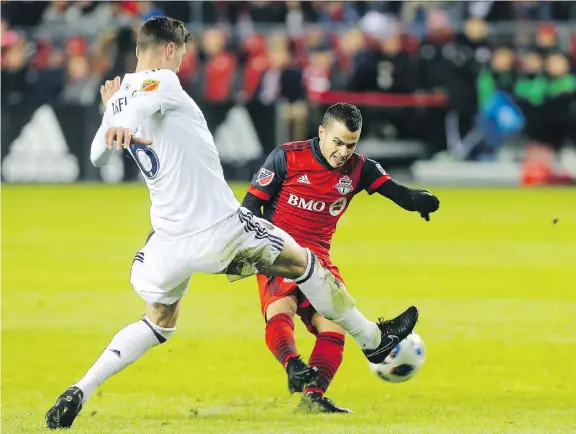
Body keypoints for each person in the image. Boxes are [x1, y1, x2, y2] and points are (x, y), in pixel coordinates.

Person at [45, 17, 420, 429]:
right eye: (184, 52)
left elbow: (98, 155)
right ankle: (372, 341)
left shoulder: (122, 94)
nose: (185, 60)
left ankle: (81, 388)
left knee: (158, 322)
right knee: (307, 264)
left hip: (167, 242)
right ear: (169, 49)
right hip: (219, 228)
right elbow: (144, 103)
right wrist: (122, 118)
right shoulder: (163, 82)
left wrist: (114, 114)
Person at [242, 103, 440, 413]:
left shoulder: (360, 168)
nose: (343, 152)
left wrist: (420, 201)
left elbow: (398, 192)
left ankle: (313, 398)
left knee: (333, 327)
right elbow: (250, 207)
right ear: (321, 133)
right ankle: (295, 363)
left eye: (351, 144)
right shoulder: (286, 157)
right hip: (278, 249)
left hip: (319, 256)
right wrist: (257, 249)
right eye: (337, 142)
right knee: (283, 307)